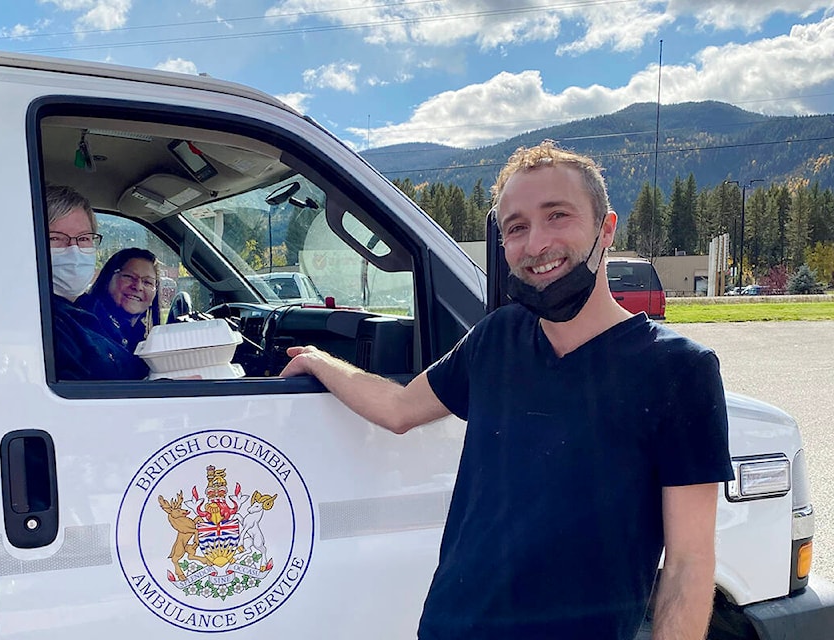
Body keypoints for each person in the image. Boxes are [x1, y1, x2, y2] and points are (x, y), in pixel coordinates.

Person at [280, 141, 733, 640]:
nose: (535, 243)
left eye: (557, 215)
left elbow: (689, 563)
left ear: (606, 229)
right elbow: (399, 407)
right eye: (516, 227)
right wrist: (318, 361)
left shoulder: (678, 369)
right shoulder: (497, 338)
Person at [46, 185, 149, 381]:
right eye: (55, 238)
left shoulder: (89, 308)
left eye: (84, 238)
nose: (74, 249)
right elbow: (78, 403)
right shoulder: (46, 326)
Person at [78, 248, 161, 355]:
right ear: (107, 280)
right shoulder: (87, 328)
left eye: (148, 282)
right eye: (129, 277)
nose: (138, 287)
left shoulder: (143, 336)